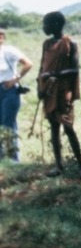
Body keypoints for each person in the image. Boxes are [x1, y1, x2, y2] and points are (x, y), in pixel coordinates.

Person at [39, 11, 81, 178]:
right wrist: (40, 86)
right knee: (53, 128)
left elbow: (74, 69)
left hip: (63, 91)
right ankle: (59, 166)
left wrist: (53, 74)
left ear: (57, 24)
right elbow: (42, 67)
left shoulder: (70, 43)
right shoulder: (46, 44)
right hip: (49, 91)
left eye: (47, 24)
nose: (44, 27)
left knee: (68, 127)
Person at [0, 28, 33, 163]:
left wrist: (15, 79)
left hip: (9, 90)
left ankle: (13, 161)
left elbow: (28, 64)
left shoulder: (9, 51)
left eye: (0, 36)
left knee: (8, 125)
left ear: (2, 38)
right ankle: (2, 161)